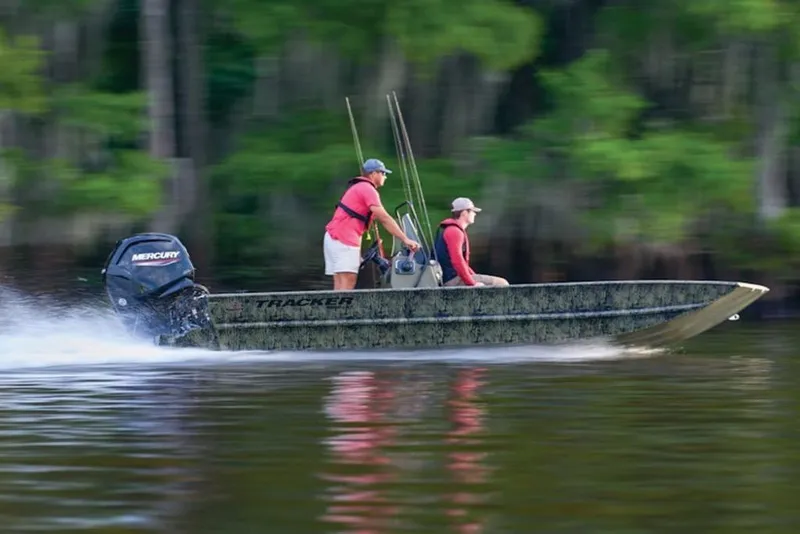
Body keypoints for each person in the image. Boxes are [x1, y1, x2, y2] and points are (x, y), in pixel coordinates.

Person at [324, 158, 421, 290]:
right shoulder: (367, 189)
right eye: (383, 173)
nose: (385, 177)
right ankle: (343, 310)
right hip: (344, 239)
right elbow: (384, 218)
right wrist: (405, 239)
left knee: (341, 282)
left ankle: (336, 309)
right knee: (348, 281)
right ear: (373, 174)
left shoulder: (358, 187)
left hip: (333, 237)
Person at [433, 197, 509, 287]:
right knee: (502, 283)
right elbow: (457, 261)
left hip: (452, 278)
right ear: (464, 213)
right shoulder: (454, 232)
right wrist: (472, 283)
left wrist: (472, 277)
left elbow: (463, 264)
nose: (475, 214)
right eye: (473, 211)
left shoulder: (451, 230)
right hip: (452, 280)